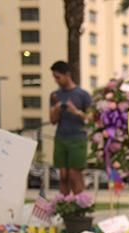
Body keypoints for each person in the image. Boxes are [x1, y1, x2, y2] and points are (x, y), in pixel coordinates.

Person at [49, 60, 91, 195]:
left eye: (58, 77)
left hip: (78, 139)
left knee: (74, 174)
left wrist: (76, 111)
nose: (56, 80)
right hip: (61, 137)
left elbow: (91, 119)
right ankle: (64, 205)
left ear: (67, 75)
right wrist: (56, 108)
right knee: (63, 175)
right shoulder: (55, 95)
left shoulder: (82, 94)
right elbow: (52, 121)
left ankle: (80, 205)